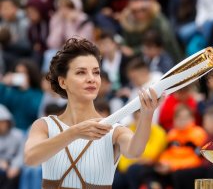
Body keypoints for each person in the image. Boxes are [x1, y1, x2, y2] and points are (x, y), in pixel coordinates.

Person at [24, 38, 161, 188]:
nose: (91, 79)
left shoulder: (114, 131)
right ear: (63, 82)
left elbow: (135, 151)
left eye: (96, 73)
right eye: (81, 72)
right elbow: (31, 158)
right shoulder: (44, 125)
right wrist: (74, 133)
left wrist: (147, 115)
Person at [0, 104, 25, 189]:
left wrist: (15, 166)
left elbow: (22, 153)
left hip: (14, 166)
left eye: (3, 122)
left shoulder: (18, 135)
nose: (1, 125)